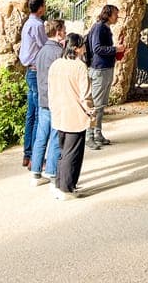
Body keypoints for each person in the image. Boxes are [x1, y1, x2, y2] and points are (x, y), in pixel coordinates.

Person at [49, 33, 95, 199]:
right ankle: (66, 189)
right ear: (76, 48)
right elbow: (85, 94)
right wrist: (91, 111)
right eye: (82, 45)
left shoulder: (55, 65)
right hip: (75, 113)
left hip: (59, 112)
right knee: (73, 152)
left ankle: (60, 183)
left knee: (63, 150)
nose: (84, 48)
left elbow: (51, 90)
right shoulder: (79, 67)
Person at [30, 19, 66, 186]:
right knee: (56, 135)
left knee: (41, 135)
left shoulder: (42, 51)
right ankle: (52, 170)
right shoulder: (59, 52)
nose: (65, 32)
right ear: (58, 31)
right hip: (56, 97)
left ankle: (36, 171)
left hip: (43, 97)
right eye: (64, 29)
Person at [85, 4, 125, 149]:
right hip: (99, 69)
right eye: (115, 14)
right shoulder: (99, 27)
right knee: (96, 105)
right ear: (108, 14)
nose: (117, 17)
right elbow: (96, 48)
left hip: (106, 68)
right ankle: (89, 136)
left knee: (101, 105)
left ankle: (98, 133)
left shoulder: (105, 28)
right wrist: (115, 49)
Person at [18, 0, 47, 168]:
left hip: (29, 70)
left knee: (30, 115)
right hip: (36, 72)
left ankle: (27, 154)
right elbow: (44, 46)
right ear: (41, 7)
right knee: (37, 115)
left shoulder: (28, 23)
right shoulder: (37, 25)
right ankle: (36, 158)